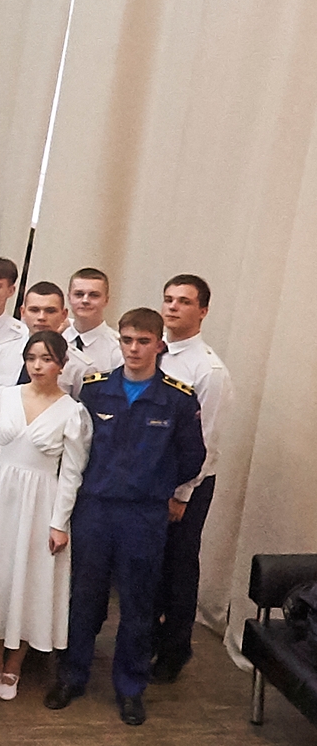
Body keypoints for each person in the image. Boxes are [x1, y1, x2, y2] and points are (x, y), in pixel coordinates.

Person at [51, 309, 204, 727]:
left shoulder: (178, 399)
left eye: (143, 341)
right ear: (119, 342)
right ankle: (72, 675)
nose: (134, 349)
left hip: (144, 513)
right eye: (127, 340)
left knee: (138, 601)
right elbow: (77, 447)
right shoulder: (96, 390)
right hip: (96, 507)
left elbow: (193, 458)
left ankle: (130, 686)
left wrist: (156, 483)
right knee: (85, 597)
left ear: (159, 345)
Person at [0, 331, 90, 697]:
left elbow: (71, 473)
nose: (38, 366)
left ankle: (15, 665)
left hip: (40, 504)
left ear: (61, 365)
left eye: (46, 359)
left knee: (28, 578)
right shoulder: (3, 397)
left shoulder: (72, 412)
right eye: (32, 358)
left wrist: (59, 523)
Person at [152, 274, 229, 684]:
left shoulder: (208, 370)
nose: (173, 307)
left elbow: (207, 441)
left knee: (178, 568)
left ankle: (175, 650)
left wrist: (181, 494)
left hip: (186, 485)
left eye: (184, 301)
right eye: (168, 299)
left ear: (203, 311)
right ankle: (147, 639)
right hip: (149, 476)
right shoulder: (153, 351)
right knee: (148, 564)